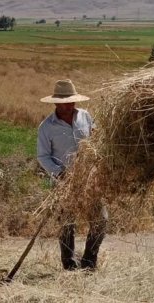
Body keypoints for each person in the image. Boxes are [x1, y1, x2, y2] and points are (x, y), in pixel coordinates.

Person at [37, 79, 107, 271]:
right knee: (67, 224)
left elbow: (95, 141)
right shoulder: (46, 127)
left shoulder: (85, 117)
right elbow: (43, 156)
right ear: (56, 103)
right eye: (64, 102)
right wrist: (60, 174)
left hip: (89, 180)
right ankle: (69, 264)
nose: (69, 105)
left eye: (71, 101)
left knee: (101, 221)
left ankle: (89, 261)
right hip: (63, 182)